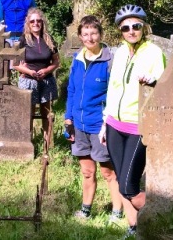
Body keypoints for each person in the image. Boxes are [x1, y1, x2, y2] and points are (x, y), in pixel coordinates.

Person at [101, 5, 166, 237]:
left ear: (143, 27)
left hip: (138, 126)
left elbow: (163, 82)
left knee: (128, 185)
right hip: (113, 125)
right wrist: (104, 121)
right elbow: (112, 88)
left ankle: (167, 213)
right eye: (126, 27)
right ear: (121, 30)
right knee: (122, 184)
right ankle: (134, 228)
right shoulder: (119, 52)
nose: (131, 31)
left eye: (136, 26)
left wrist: (153, 80)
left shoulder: (153, 52)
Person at [63, 15, 123, 223]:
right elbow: (71, 90)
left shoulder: (109, 61)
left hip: (100, 126)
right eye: (85, 34)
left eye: (93, 33)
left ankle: (117, 212)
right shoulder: (77, 60)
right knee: (87, 171)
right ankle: (86, 210)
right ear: (80, 36)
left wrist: (107, 124)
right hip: (78, 125)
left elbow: (115, 94)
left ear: (100, 35)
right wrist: (68, 118)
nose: (90, 38)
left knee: (108, 172)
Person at [13, 8, 60, 143]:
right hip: (28, 81)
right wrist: (29, 72)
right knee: (28, 113)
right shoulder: (23, 40)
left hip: (46, 81)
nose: (36, 23)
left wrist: (46, 70)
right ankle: (27, 141)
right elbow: (15, 63)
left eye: (38, 21)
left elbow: (56, 61)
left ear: (42, 22)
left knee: (47, 113)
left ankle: (48, 142)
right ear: (28, 23)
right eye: (32, 21)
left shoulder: (49, 39)